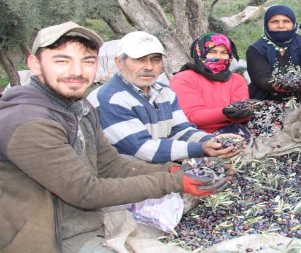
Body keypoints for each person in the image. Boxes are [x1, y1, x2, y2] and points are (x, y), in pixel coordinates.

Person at [0, 22, 228, 252]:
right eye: (62, 60)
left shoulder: (79, 107)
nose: (77, 71)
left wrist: (175, 170)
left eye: (87, 61)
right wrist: (174, 181)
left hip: (81, 223)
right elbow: (87, 192)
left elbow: (110, 163)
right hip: (45, 238)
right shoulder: (28, 122)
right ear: (35, 64)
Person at [88, 31, 241, 164]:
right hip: (125, 179)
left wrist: (211, 141)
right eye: (140, 59)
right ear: (119, 62)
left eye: (155, 59)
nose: (149, 67)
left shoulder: (164, 92)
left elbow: (181, 130)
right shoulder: (109, 98)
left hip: (160, 170)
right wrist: (202, 147)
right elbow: (143, 148)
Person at [170, 32, 252, 140]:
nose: (218, 57)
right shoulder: (183, 79)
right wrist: (224, 113)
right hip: (193, 132)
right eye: (212, 52)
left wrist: (243, 113)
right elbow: (191, 116)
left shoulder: (237, 80)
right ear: (200, 54)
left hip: (231, 129)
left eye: (224, 53)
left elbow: (240, 113)